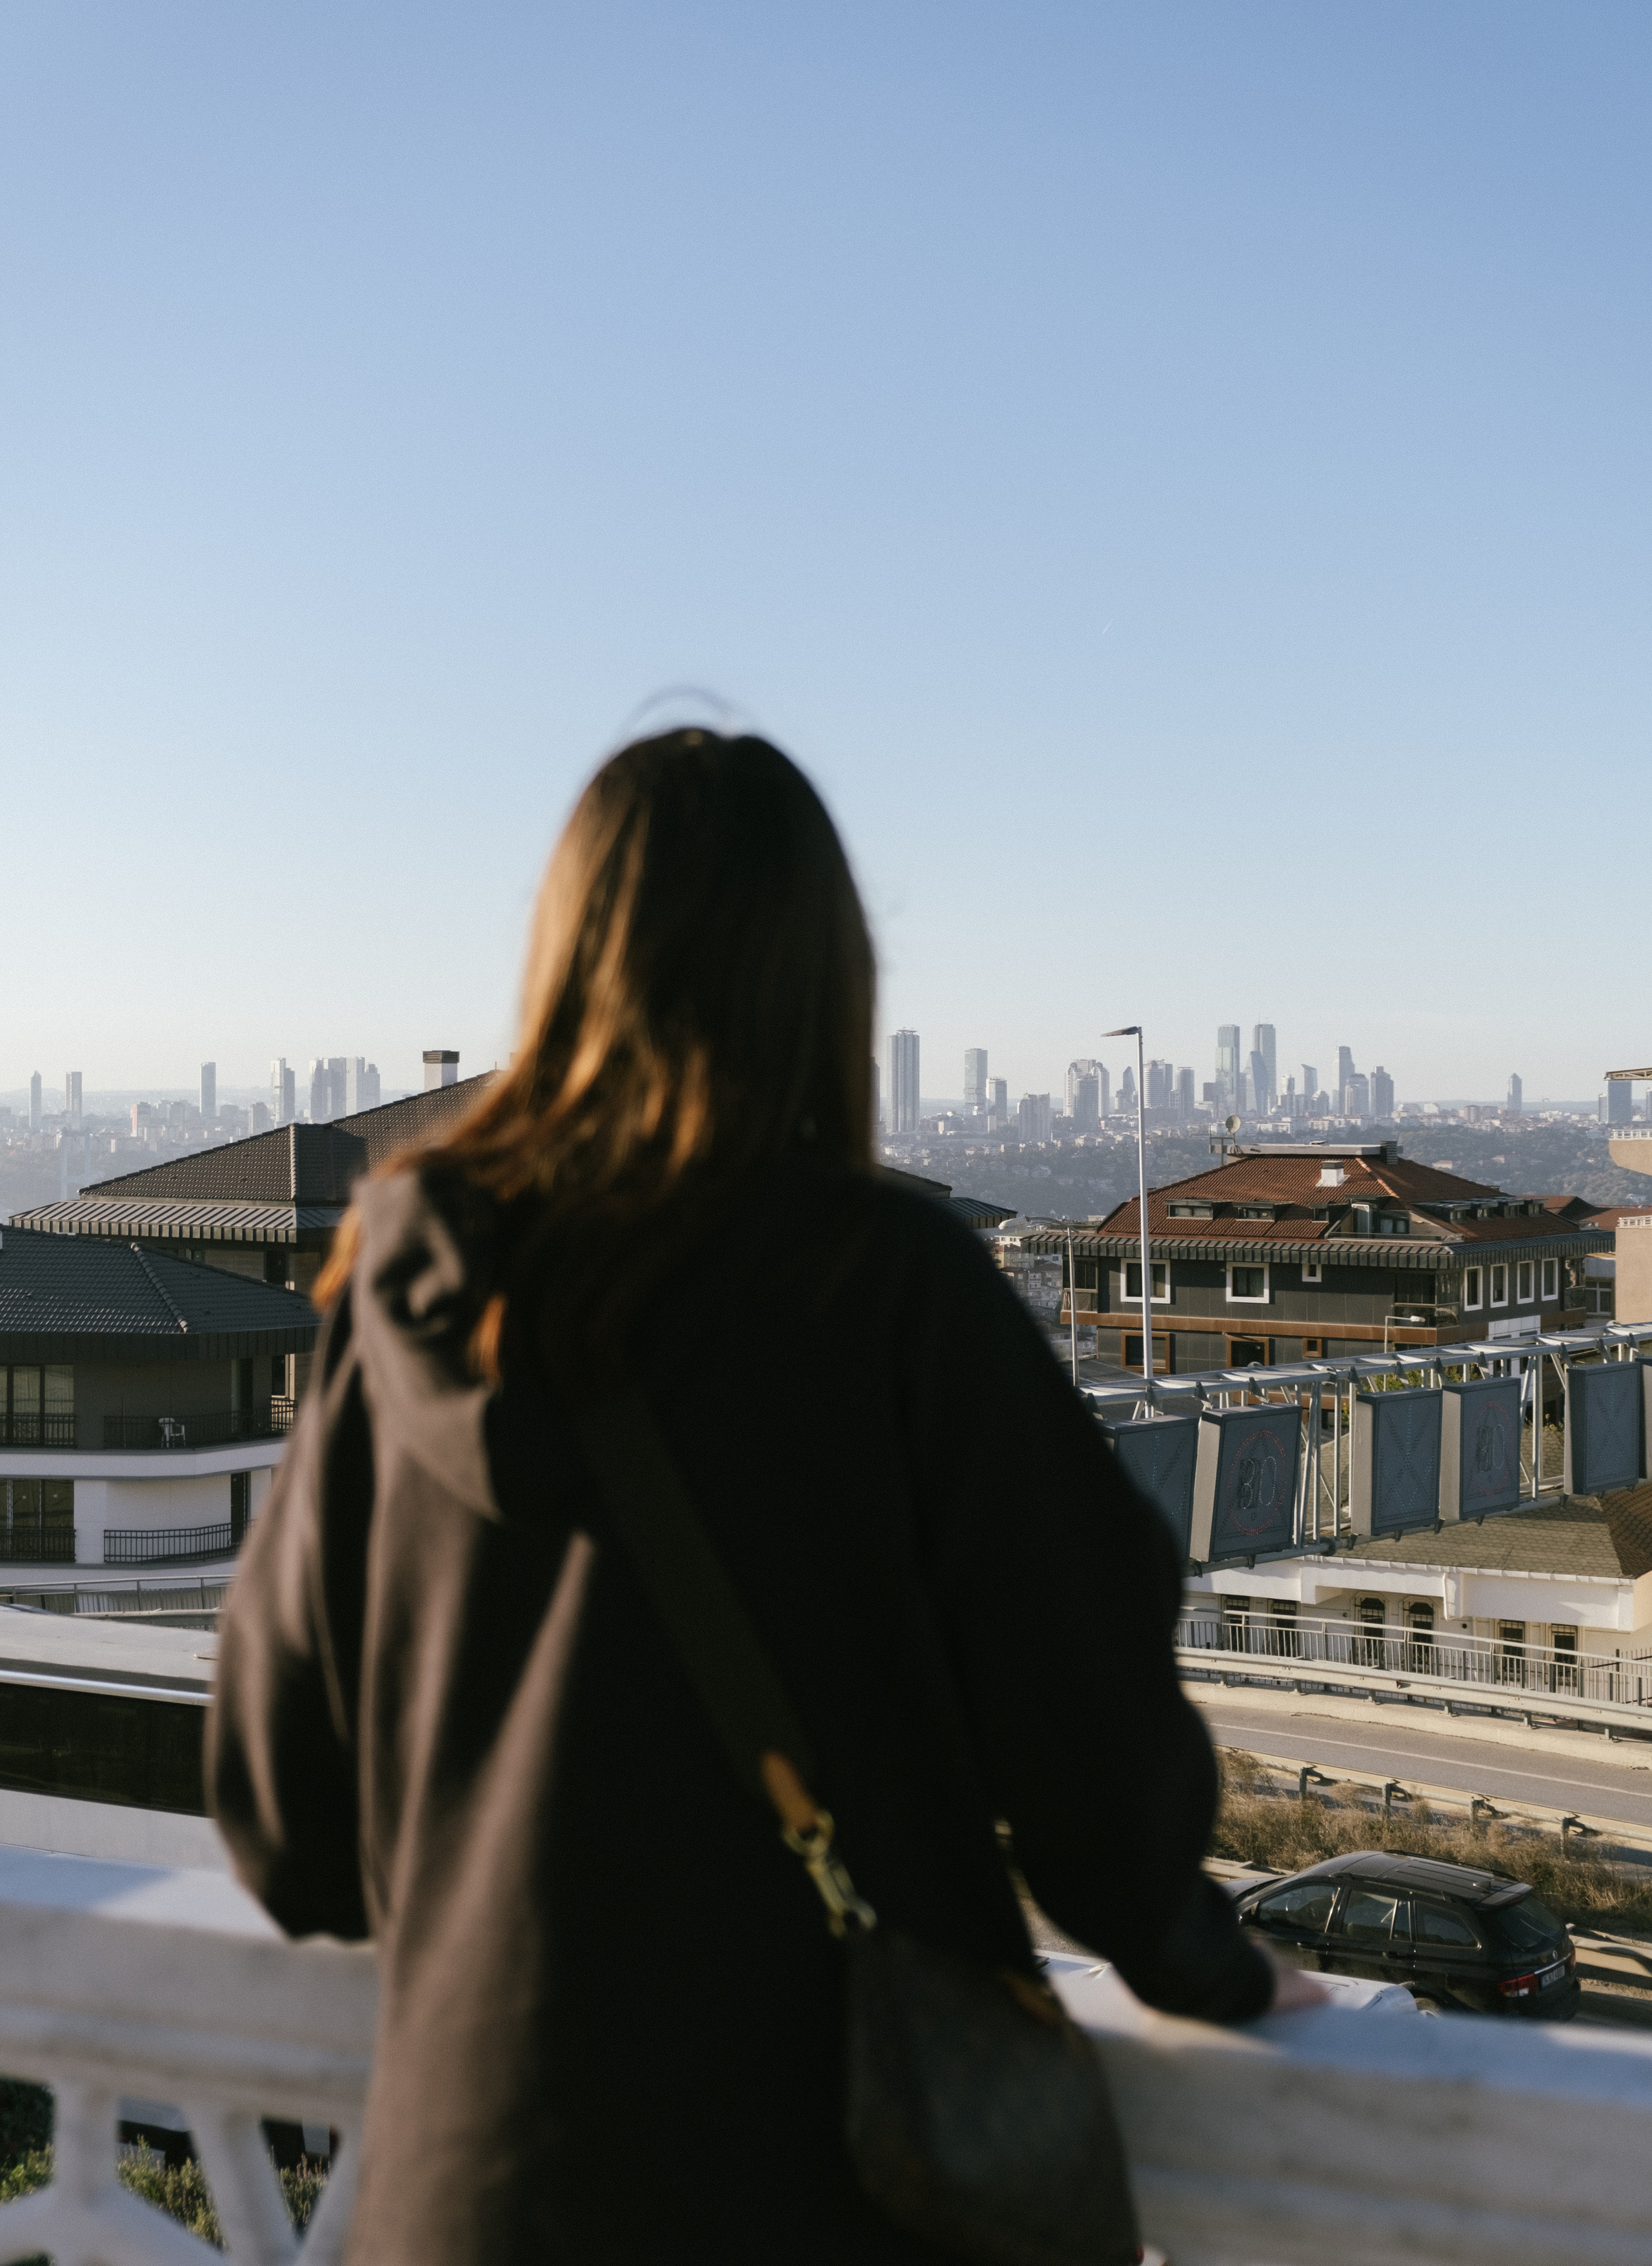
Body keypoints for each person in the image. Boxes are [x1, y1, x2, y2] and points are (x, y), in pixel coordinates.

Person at [208, 728, 1315, 2266]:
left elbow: (285, 1821)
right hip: (833, 2187)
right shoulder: (889, 1294)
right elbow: (1084, 1724)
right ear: (828, 989)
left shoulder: (402, 1295)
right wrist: (1208, 1962)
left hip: (476, 2191)